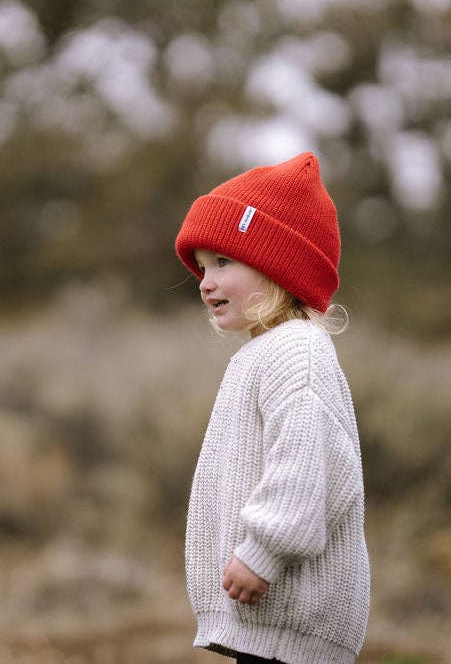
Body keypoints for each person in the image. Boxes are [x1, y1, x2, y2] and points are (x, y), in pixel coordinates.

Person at [174, 152, 370, 664]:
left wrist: (262, 552)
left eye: (223, 262)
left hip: (292, 612)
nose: (205, 282)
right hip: (272, 613)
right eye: (201, 268)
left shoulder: (296, 351)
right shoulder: (264, 353)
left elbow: (308, 465)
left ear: (278, 266)